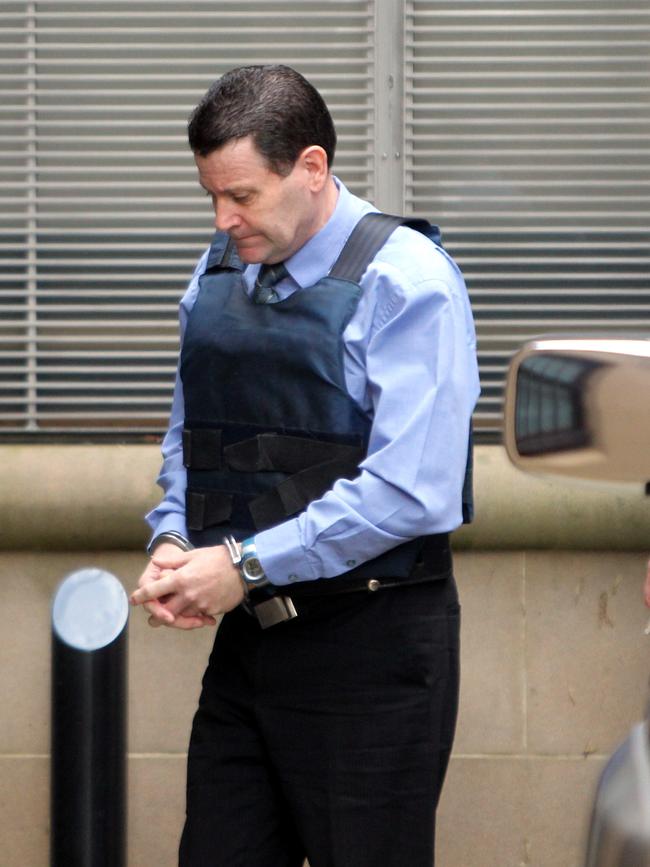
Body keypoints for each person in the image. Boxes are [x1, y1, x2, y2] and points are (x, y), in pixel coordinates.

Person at [131, 64, 480, 867]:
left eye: (243, 196)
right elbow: (193, 432)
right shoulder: (220, 266)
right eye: (211, 196)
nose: (223, 219)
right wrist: (175, 537)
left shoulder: (408, 282)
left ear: (312, 168)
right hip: (249, 648)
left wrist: (244, 564)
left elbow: (410, 492)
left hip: (371, 649)